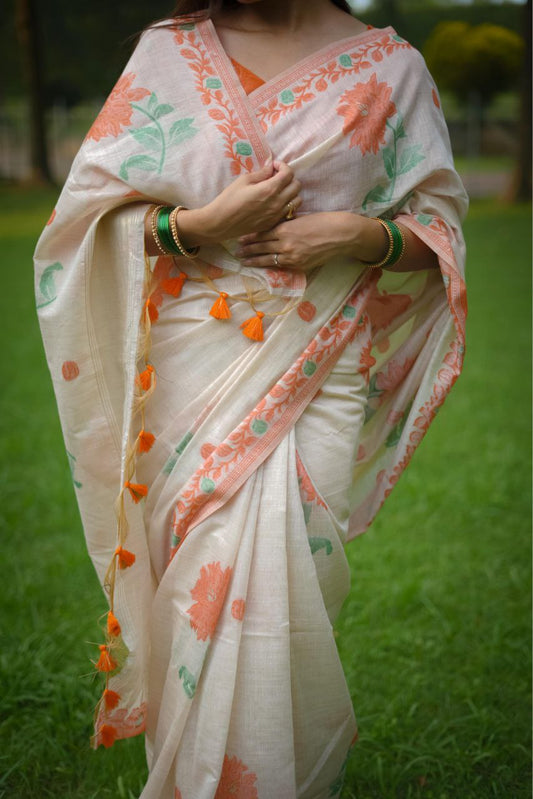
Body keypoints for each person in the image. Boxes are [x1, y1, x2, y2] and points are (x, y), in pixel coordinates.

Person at [34, 0, 467, 796]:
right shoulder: (168, 55)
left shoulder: (389, 68)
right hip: (189, 366)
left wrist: (352, 236)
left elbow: (437, 226)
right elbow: (84, 220)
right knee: (191, 580)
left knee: (290, 583)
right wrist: (199, 225)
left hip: (320, 362)